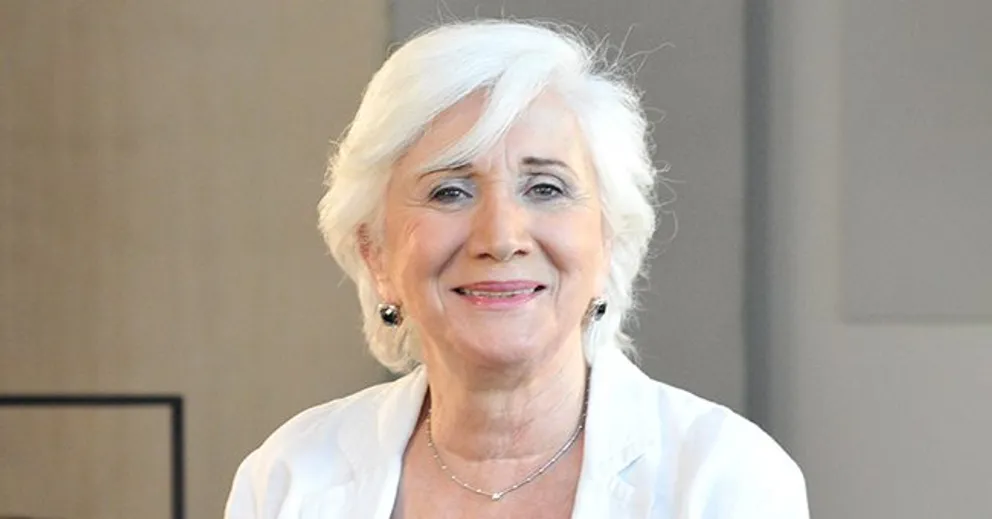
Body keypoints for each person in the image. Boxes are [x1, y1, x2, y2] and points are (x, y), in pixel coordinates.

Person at [224, 20, 809, 518]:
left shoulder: (722, 477)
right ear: (376, 254)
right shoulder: (289, 478)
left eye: (546, 188)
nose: (501, 238)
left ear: (607, 241)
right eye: (450, 191)